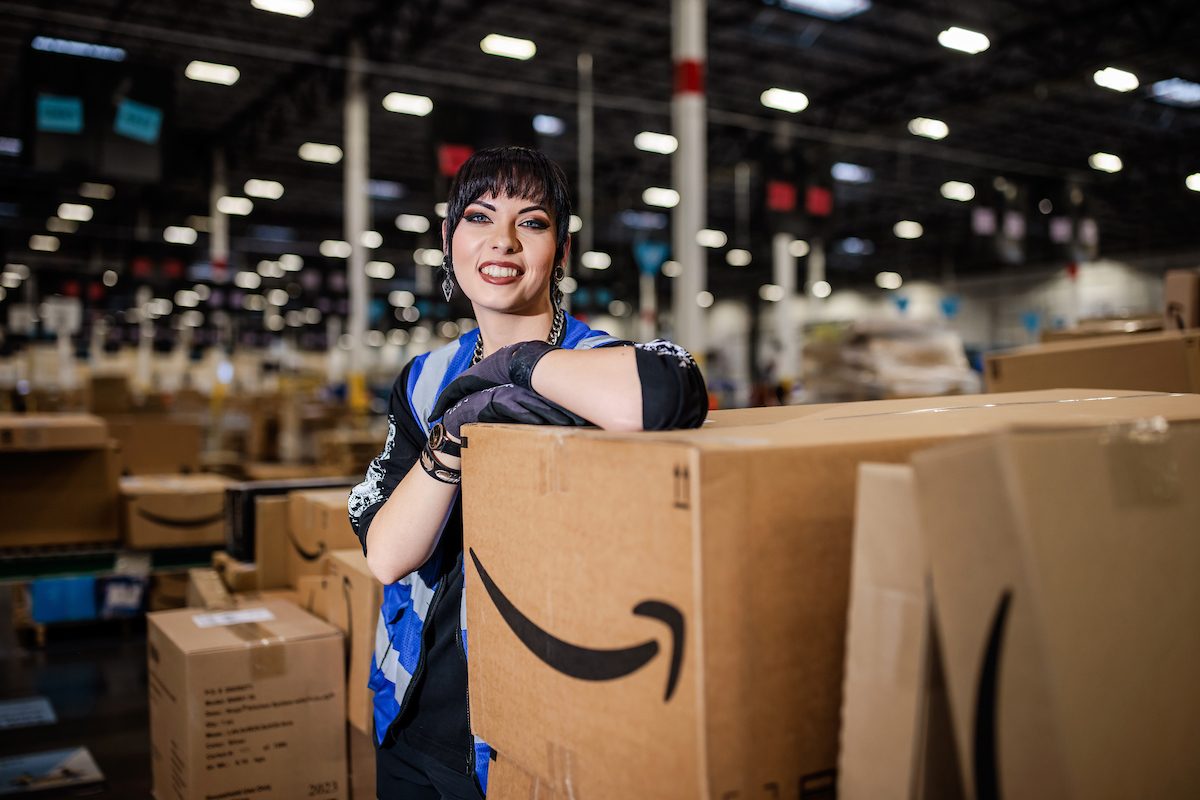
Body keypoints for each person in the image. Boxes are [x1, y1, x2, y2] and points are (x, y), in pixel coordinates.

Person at [348, 146, 708, 799]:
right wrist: (453, 434)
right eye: (480, 217)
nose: (503, 240)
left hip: (530, 739)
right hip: (409, 722)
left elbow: (666, 390)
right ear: (449, 239)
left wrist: (516, 367)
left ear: (561, 251)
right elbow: (387, 554)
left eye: (533, 222)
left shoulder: (595, 363)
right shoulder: (424, 378)